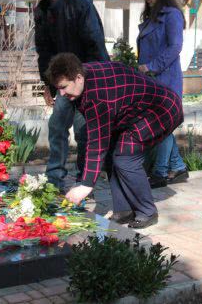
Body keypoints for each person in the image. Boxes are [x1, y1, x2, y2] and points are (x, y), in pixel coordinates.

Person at [49, 53, 184, 229]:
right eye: (58, 88)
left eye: (64, 87)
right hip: (136, 112)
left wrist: (86, 185)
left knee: (125, 157)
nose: (61, 93)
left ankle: (147, 211)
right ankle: (124, 210)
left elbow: (97, 144)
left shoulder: (97, 97)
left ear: (79, 78)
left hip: (161, 109)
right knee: (113, 155)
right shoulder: (83, 78)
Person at [34, 0, 110, 190]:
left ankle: (84, 181)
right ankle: (54, 180)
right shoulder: (41, 10)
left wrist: (93, 82)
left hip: (85, 80)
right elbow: (43, 51)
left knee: (83, 131)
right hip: (62, 83)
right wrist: (47, 83)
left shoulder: (80, 6)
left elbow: (95, 45)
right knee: (57, 126)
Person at [136, 0, 188, 188]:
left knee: (162, 126)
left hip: (165, 79)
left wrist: (151, 66)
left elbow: (175, 47)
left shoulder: (172, 15)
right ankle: (178, 167)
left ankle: (160, 172)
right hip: (151, 81)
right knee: (162, 125)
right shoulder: (151, 18)